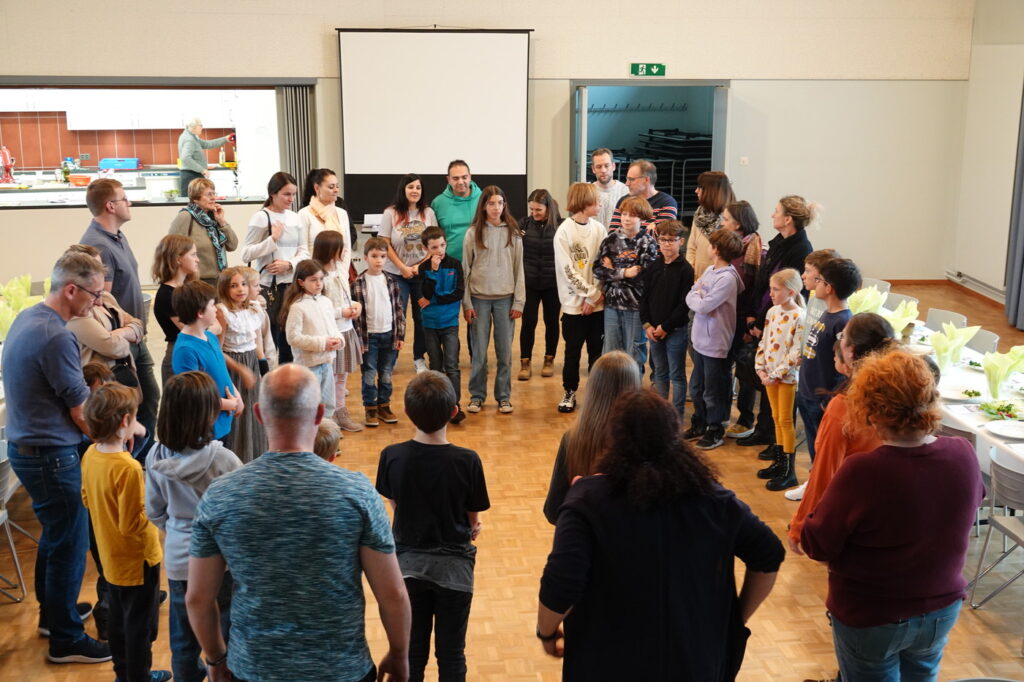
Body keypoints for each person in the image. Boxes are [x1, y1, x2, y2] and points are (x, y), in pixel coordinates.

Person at [186, 364, 411, 682]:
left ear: (259, 414)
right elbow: (393, 593)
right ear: (319, 414)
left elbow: (197, 598)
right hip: (341, 670)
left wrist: (215, 657)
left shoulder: (220, 495)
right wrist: (399, 654)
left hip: (253, 669)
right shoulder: (357, 493)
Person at [538, 390, 784, 681]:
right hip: (694, 658)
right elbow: (769, 553)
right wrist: (735, 618)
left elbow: (562, 580)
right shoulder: (715, 500)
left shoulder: (587, 500)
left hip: (608, 660)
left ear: (614, 440)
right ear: (674, 437)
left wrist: (547, 633)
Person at [801, 351, 984, 681]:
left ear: (870, 413)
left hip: (872, 612)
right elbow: (973, 501)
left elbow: (817, 544)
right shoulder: (963, 453)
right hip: (941, 607)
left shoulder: (863, 470)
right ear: (930, 401)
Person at [2, 251, 111, 664]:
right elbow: (80, 408)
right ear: (71, 289)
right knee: (71, 542)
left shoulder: (28, 318)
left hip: (27, 449)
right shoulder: (57, 336)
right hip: (50, 454)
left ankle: (54, 616)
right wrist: (108, 444)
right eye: (94, 295)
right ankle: (66, 639)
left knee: (56, 535)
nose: (96, 303)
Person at [376, 371, 491, 682]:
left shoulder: (391, 456)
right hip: (455, 572)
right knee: (452, 654)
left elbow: (395, 502)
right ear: (454, 412)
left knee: (413, 652)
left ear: (406, 412)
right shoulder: (468, 460)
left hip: (407, 569)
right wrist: (474, 525)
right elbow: (472, 513)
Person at [146, 371, 241, 682]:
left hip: (178, 560)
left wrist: (176, 528)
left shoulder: (155, 455)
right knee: (225, 631)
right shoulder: (225, 460)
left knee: (183, 640)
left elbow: (154, 511)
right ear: (208, 414)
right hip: (221, 561)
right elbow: (239, 513)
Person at [80, 383, 169, 682]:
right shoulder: (128, 468)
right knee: (141, 627)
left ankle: (123, 674)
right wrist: (156, 509)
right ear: (124, 421)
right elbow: (132, 524)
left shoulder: (91, 455)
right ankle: (140, 676)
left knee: (119, 620)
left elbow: (86, 498)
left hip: (110, 557)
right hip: (138, 561)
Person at [787, 313, 894, 551]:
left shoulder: (844, 407)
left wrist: (800, 526)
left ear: (850, 351)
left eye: (842, 337)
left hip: (855, 518)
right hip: (890, 514)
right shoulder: (896, 395)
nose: (838, 341)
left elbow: (824, 473)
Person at [80, 178, 159, 458]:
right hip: (120, 344)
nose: (130, 202)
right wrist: (127, 331)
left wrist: (134, 328)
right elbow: (101, 302)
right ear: (110, 206)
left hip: (133, 336)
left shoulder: (117, 236)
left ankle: (142, 460)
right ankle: (128, 462)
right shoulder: (97, 245)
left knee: (148, 399)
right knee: (126, 408)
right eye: (125, 198)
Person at [739, 195, 817, 450]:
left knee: (781, 388)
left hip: (781, 322)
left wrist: (763, 319)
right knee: (768, 383)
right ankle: (764, 430)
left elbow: (786, 291)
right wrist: (753, 315)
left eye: (776, 211)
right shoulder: (778, 242)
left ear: (788, 219)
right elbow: (764, 282)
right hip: (768, 317)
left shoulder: (801, 249)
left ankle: (780, 443)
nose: (772, 215)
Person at [542, 351, 641, 524]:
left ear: (593, 388)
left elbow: (553, 510)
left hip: (586, 534)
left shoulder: (572, 439)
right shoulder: (648, 439)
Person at [462, 185, 525, 415]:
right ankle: (477, 396)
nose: (496, 207)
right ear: (483, 206)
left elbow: (519, 269)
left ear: (504, 205)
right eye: (491, 203)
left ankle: (504, 396)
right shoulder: (472, 233)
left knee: (504, 353)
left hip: (505, 300)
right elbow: (465, 270)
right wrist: (467, 303)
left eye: (499, 203)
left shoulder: (514, 233)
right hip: (478, 299)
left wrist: (519, 301)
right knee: (479, 354)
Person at [684, 229, 745, 451]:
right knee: (697, 387)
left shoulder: (728, 278)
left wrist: (699, 297)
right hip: (700, 340)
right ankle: (700, 422)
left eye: (710, 244)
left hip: (715, 343)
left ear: (716, 250)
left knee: (713, 390)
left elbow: (703, 305)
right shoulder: (710, 270)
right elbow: (691, 293)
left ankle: (715, 428)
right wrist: (698, 296)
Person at [241, 171, 310, 364]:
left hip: (292, 285)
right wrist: (272, 240)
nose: (291, 199)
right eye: (286, 194)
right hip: (268, 287)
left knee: (290, 337)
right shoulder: (261, 217)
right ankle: (269, 377)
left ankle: (287, 377)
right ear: (273, 193)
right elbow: (246, 254)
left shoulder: (295, 218)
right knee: (270, 339)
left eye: (293, 194)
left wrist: (289, 264)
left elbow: (304, 251)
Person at [64, 244, 145, 398]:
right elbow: (113, 347)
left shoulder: (105, 296)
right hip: (101, 387)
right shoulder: (79, 311)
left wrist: (118, 333)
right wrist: (127, 334)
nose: (101, 271)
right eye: (94, 267)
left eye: (101, 265)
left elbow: (138, 325)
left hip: (123, 373)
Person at [553, 182, 606, 414]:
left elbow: (604, 265)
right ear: (585, 203)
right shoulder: (564, 231)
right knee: (572, 352)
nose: (600, 204)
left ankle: (596, 395)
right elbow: (568, 271)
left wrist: (594, 299)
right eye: (596, 200)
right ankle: (569, 391)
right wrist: (589, 294)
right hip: (573, 306)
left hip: (597, 305)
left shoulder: (599, 229)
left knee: (597, 352)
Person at [171, 281, 245, 445]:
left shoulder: (210, 336)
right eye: (212, 305)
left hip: (223, 421)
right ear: (200, 313)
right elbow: (194, 397)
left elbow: (221, 371)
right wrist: (229, 403)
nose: (216, 310)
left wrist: (236, 394)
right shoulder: (186, 350)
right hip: (206, 428)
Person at [753, 268, 805, 491]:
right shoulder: (772, 311)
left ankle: (788, 470)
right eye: (770, 289)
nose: (771, 294)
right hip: (769, 376)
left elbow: (795, 353)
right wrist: (761, 369)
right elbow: (764, 341)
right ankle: (779, 460)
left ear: (791, 292)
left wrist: (775, 375)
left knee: (785, 420)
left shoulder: (799, 316)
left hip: (785, 378)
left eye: (775, 289)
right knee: (775, 417)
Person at [593, 195, 659, 371]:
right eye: (624, 214)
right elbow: (598, 270)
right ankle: (613, 387)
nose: (627, 218)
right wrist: (623, 272)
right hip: (612, 305)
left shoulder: (647, 243)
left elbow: (646, 279)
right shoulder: (610, 240)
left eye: (632, 215)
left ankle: (633, 388)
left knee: (634, 352)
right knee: (610, 352)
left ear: (642, 218)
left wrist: (613, 270)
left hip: (636, 307)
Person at [380, 173, 438, 374]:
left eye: (418, 188)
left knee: (422, 318)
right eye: (411, 187)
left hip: (421, 274)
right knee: (397, 317)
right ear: (403, 189)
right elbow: (385, 242)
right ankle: (390, 359)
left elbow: (434, 243)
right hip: (396, 274)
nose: (415, 191)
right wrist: (402, 268)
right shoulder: (390, 213)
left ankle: (419, 358)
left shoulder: (428, 213)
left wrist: (419, 266)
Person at [640, 220, 695, 420]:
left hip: (675, 331)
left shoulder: (685, 270)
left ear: (681, 241)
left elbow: (684, 304)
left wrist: (665, 327)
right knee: (660, 373)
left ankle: (676, 417)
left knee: (677, 375)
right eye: (662, 240)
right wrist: (647, 324)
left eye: (671, 240)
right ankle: (661, 416)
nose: (666, 244)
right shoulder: (653, 266)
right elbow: (644, 298)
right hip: (654, 331)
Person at [215, 266, 269, 463]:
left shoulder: (253, 308)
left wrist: (262, 366)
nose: (241, 289)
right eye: (234, 286)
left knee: (254, 410)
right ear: (224, 288)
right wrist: (240, 369)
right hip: (233, 366)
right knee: (239, 414)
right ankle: (238, 460)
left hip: (251, 362)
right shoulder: (222, 312)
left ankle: (256, 456)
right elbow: (217, 350)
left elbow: (257, 342)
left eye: (244, 284)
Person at [313, 230, 364, 432]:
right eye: (340, 248)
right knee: (328, 378)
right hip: (330, 333)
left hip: (346, 329)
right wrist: (342, 312)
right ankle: (327, 419)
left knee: (342, 376)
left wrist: (355, 305)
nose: (344, 251)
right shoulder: (319, 277)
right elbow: (320, 308)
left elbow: (345, 299)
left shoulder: (340, 271)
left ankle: (341, 412)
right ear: (330, 250)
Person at [352, 238, 406, 427]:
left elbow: (399, 310)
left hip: (389, 335)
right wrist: (358, 341)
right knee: (369, 373)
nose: (379, 260)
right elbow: (355, 318)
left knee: (386, 373)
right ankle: (370, 408)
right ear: (365, 257)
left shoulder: (391, 281)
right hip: (369, 337)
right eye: (374, 256)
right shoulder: (358, 283)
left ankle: (384, 406)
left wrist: (400, 335)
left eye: (383, 256)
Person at [721, 201, 764, 440]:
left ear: (738, 224)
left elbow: (754, 289)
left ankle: (745, 419)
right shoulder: (732, 246)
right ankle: (722, 415)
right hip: (727, 315)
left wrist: (750, 323)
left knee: (744, 370)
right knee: (725, 367)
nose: (723, 223)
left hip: (742, 316)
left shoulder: (754, 249)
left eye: (726, 219)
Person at [281, 259, 345, 419]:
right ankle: (309, 435)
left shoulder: (326, 302)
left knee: (328, 405)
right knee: (308, 408)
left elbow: (333, 327)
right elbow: (293, 338)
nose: (319, 283)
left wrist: (338, 340)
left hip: (327, 363)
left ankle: (326, 433)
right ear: (301, 282)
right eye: (313, 280)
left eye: (321, 279)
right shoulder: (297, 307)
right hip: (308, 367)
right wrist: (323, 343)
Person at [417, 226, 467, 424]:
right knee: (435, 365)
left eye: (442, 245)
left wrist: (435, 298)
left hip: (450, 322)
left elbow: (458, 293)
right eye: (434, 247)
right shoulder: (424, 268)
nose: (440, 250)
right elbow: (426, 293)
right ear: (426, 249)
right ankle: (438, 405)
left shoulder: (455, 264)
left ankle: (455, 405)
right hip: (430, 323)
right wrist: (434, 272)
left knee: (452, 365)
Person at [518, 189, 562, 381]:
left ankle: (549, 359)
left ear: (548, 207)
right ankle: (525, 362)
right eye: (532, 209)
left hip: (553, 284)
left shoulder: (561, 225)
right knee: (528, 322)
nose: (534, 213)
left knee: (552, 322)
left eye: (538, 210)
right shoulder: (524, 224)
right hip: (529, 283)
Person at [168, 177, 238, 286]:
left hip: (220, 280)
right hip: (197, 282)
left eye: (214, 193)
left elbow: (233, 245)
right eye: (209, 194)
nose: (213, 198)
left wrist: (221, 221)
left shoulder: (213, 217)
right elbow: (172, 250)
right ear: (196, 198)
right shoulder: (185, 216)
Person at [152, 234, 201, 385]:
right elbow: (194, 330)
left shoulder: (187, 288)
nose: (197, 260)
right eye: (193, 255)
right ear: (178, 259)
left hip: (193, 352)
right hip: (180, 356)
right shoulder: (167, 295)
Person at [685, 171, 736, 280]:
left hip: (719, 279)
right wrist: (690, 270)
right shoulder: (700, 213)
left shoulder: (731, 217)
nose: (696, 191)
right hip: (696, 277)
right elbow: (691, 246)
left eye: (700, 187)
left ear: (712, 191)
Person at [298, 168, 353, 268]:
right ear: (317, 188)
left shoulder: (342, 213)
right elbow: (302, 250)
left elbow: (347, 247)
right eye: (331, 187)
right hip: (314, 271)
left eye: (337, 186)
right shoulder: (304, 214)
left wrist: (343, 273)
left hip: (339, 271)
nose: (336, 190)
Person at [431, 159, 482, 265]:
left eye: (464, 177)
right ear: (448, 179)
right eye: (455, 178)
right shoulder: (438, 203)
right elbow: (433, 237)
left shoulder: (484, 199)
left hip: (480, 264)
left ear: (470, 177)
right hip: (449, 266)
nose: (461, 182)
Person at [608, 159, 678, 231]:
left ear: (646, 180)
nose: (627, 183)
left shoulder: (667, 202)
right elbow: (613, 233)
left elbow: (663, 234)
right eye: (627, 179)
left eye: (631, 179)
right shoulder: (624, 201)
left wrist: (626, 231)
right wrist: (647, 230)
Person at [176, 118, 232, 195]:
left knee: (196, 199)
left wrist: (225, 139)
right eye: (201, 125)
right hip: (192, 175)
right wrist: (202, 170)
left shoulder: (191, 136)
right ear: (194, 127)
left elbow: (207, 144)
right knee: (194, 199)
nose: (202, 127)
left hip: (192, 174)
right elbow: (185, 158)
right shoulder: (189, 139)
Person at [590, 148, 629, 229]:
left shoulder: (626, 191)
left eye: (606, 166)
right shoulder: (587, 192)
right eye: (599, 167)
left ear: (613, 166)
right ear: (593, 169)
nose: (603, 170)